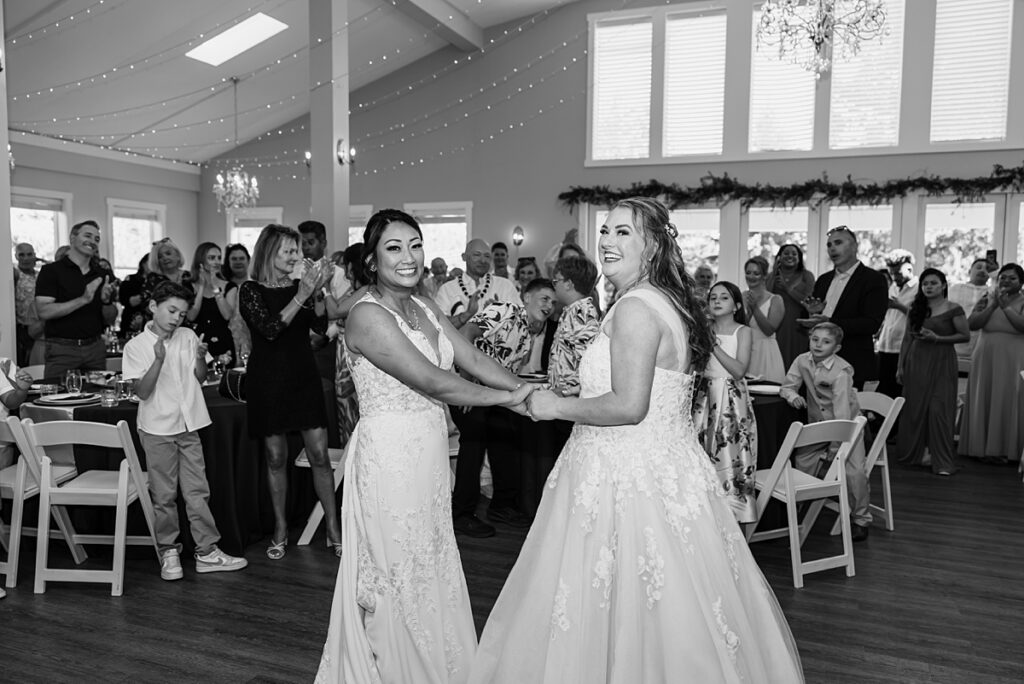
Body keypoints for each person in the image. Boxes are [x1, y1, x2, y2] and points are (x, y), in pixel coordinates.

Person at [470, 197, 803, 683]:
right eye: (605, 230)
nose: (607, 240)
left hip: (623, 476)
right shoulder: (666, 303)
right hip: (662, 470)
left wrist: (555, 406)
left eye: (623, 232)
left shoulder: (635, 310)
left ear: (651, 247)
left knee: (621, 601)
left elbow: (630, 405)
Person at [314, 209, 535, 683]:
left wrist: (526, 390)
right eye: (394, 247)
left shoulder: (425, 304)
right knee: (398, 572)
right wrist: (512, 401)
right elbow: (436, 382)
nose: (410, 257)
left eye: (415, 244)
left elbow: (470, 356)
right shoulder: (367, 317)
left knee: (430, 561)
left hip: (428, 454)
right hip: (390, 457)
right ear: (371, 261)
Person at [122, 280, 248, 581]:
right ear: (154, 307)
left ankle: (207, 552)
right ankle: (168, 552)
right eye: (171, 310)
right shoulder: (135, 347)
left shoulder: (189, 336)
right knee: (164, 495)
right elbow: (142, 391)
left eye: (181, 313)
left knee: (197, 491)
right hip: (157, 428)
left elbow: (200, 377)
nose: (177, 318)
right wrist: (158, 360)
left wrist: (199, 356)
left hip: (189, 424)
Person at [239, 224, 342, 559]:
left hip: (303, 377)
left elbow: (316, 329)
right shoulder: (250, 290)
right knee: (275, 458)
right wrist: (302, 295)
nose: (298, 256)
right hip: (268, 380)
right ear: (270, 252)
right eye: (290, 251)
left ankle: (333, 527)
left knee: (319, 455)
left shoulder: (302, 286)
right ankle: (281, 527)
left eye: (298, 250)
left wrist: (320, 291)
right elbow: (269, 329)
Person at [451, 278, 556, 537]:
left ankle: (502, 506)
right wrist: (466, 383)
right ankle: (461, 514)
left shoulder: (528, 338)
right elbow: (465, 335)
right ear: (527, 296)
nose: (550, 305)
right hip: (467, 388)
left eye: (553, 302)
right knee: (474, 443)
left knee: (507, 437)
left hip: (493, 397)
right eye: (544, 298)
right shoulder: (505, 310)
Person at [780, 322, 871, 542]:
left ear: (837, 348)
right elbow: (787, 386)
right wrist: (793, 396)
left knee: (854, 472)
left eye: (826, 341)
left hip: (847, 427)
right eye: (815, 339)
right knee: (803, 459)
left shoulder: (842, 371)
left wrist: (835, 446)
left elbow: (842, 412)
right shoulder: (802, 360)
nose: (819, 344)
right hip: (818, 424)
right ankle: (801, 505)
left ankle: (861, 518)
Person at [693, 281, 757, 523]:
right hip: (704, 395)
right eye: (713, 297)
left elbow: (739, 370)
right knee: (701, 447)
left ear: (736, 306)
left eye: (724, 298)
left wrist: (713, 345)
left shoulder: (743, 331)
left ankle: (733, 511)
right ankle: (704, 509)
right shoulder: (704, 328)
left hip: (729, 397)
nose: (717, 301)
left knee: (728, 451)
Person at [896, 269, 969, 475]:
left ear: (944, 285)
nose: (928, 287)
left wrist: (937, 338)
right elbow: (907, 339)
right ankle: (919, 455)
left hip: (942, 361)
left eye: (933, 283)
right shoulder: (915, 308)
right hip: (917, 360)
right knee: (915, 408)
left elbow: (964, 336)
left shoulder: (954, 309)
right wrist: (900, 366)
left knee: (939, 408)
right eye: (925, 283)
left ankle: (941, 459)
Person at [800, 226, 888, 390]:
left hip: (852, 362)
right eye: (829, 245)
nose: (832, 248)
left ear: (855, 246)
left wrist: (831, 322)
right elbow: (817, 322)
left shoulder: (873, 279)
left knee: (847, 415)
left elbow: (872, 324)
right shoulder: (823, 280)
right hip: (818, 363)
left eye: (838, 243)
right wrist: (814, 313)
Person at [959, 263, 1024, 465]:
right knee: (984, 396)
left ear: (1021, 282)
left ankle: (1006, 450)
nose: (1005, 281)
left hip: (1013, 356)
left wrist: (1005, 307)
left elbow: (1021, 325)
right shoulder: (988, 297)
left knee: (1008, 398)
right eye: (1003, 277)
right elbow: (972, 324)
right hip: (985, 354)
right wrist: (994, 305)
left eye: (1012, 278)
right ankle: (981, 448)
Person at [35, 220, 117, 378]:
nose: (92, 241)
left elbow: (110, 318)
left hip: (95, 348)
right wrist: (83, 299)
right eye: (88, 235)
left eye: (97, 239)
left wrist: (106, 301)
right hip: (61, 349)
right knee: (58, 398)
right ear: (72, 238)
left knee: (99, 397)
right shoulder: (51, 271)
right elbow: (44, 312)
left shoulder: (102, 275)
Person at [324, 241, 368, 451]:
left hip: (355, 359)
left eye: (347, 267)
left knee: (355, 411)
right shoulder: (355, 290)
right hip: (345, 358)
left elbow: (335, 311)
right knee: (347, 413)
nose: (346, 274)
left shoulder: (367, 289)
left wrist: (324, 287)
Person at [435, 238, 521, 327]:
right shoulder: (447, 289)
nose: (483, 260)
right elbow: (437, 325)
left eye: (487, 256)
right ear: (464, 257)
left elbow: (521, 322)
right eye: (477, 255)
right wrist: (466, 315)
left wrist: (501, 314)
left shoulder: (505, 286)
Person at [876, 250, 918, 399]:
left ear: (909, 269)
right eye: (892, 273)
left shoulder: (919, 288)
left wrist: (898, 306)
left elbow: (921, 318)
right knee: (884, 392)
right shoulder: (892, 287)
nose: (895, 277)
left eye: (898, 273)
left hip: (903, 348)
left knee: (900, 392)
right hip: (885, 345)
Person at [186, 243, 234, 365]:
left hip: (223, 344)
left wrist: (215, 288)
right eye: (212, 258)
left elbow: (227, 315)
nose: (217, 261)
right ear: (200, 260)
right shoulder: (187, 285)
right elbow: (191, 316)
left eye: (219, 257)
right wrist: (201, 287)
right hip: (197, 343)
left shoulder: (229, 286)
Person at [769, 244, 815, 369]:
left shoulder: (807, 276)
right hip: (777, 326)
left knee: (797, 362)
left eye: (794, 254)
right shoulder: (772, 276)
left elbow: (808, 302)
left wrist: (787, 288)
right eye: (786, 253)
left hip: (798, 326)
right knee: (777, 362)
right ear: (779, 257)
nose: (790, 256)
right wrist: (774, 271)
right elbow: (766, 296)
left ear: (799, 258)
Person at [743, 256, 786, 382]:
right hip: (745, 351)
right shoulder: (741, 296)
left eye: (756, 273)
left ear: (764, 276)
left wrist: (754, 308)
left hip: (766, 352)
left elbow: (769, 330)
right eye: (748, 272)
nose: (751, 277)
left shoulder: (776, 299)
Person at [948, 257, 992, 364]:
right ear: (969, 271)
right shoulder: (955, 289)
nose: (982, 270)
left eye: (987, 269)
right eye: (978, 267)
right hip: (955, 346)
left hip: (981, 346)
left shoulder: (992, 292)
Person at [221, 243, 253, 364]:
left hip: (252, 339)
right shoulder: (223, 287)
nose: (238, 262)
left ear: (248, 260)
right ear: (228, 262)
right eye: (234, 259)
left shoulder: (257, 285)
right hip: (229, 340)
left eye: (242, 258)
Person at [13, 242, 43, 366]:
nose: (26, 258)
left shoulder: (41, 275)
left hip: (42, 326)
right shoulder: (14, 274)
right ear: (16, 257)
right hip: (23, 328)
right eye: (22, 255)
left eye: (29, 254)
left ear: (35, 256)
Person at [118, 255, 150, 338]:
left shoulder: (159, 282)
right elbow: (125, 300)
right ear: (143, 263)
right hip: (130, 321)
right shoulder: (130, 279)